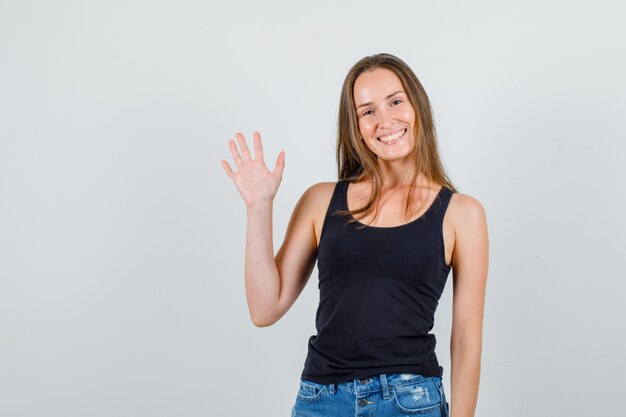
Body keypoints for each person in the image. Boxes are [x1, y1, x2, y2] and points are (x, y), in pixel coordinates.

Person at [221, 53, 489, 417]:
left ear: (417, 106)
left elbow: (466, 342)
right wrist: (258, 207)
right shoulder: (321, 201)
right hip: (321, 400)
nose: (385, 120)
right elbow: (264, 309)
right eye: (368, 111)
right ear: (355, 126)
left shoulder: (462, 214)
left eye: (395, 101)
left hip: (410, 401)